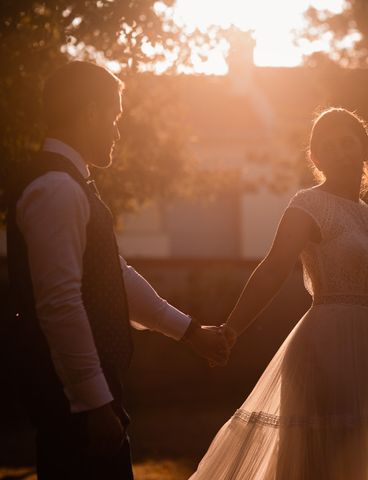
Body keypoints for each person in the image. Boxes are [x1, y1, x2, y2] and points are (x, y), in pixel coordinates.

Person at [5, 61, 230, 480]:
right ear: (90, 112)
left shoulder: (71, 185)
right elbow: (60, 305)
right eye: (114, 117)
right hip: (75, 405)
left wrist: (189, 331)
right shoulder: (56, 189)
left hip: (90, 398)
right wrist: (93, 403)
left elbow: (114, 275)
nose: (117, 131)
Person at [190, 107, 368, 479]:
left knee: (358, 462)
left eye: (348, 142)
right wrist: (231, 328)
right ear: (315, 158)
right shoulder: (308, 204)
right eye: (328, 146)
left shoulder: (365, 213)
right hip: (324, 349)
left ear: (365, 148)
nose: (340, 152)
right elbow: (273, 267)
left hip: (367, 350)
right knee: (321, 463)